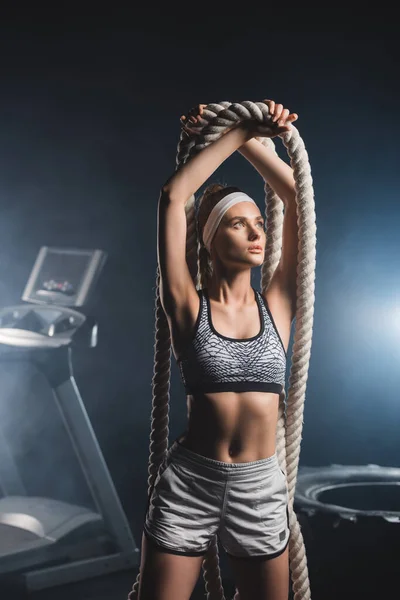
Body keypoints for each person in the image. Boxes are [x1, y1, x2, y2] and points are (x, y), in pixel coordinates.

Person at [138, 100, 299, 600]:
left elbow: (296, 198)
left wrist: (249, 133)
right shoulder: (187, 305)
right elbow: (173, 196)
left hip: (259, 488)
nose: (256, 233)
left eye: (259, 223)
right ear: (209, 239)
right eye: (238, 224)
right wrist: (228, 132)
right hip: (191, 482)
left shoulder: (278, 304)